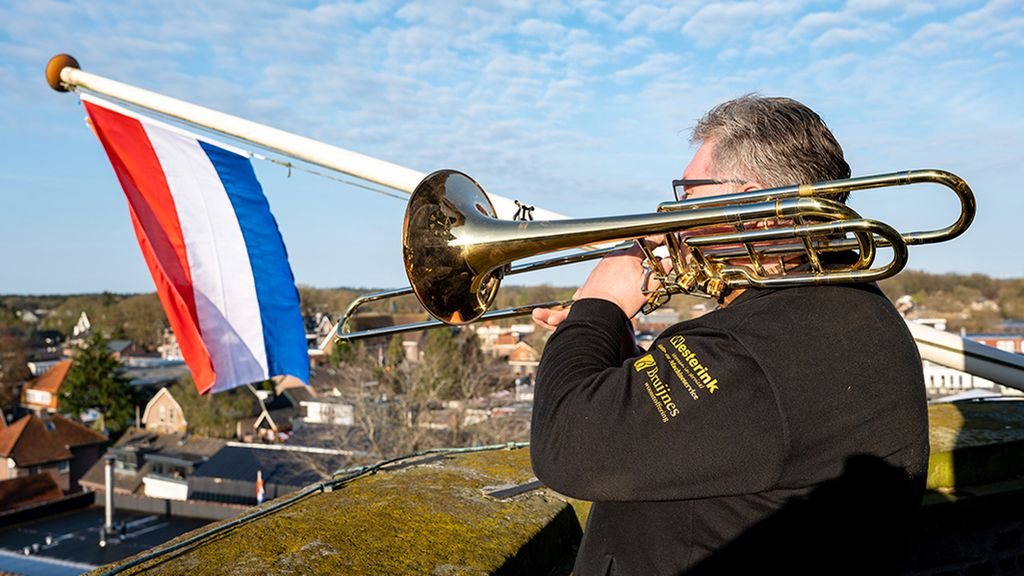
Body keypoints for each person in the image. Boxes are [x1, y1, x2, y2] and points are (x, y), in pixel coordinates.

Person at [529, 95, 929, 575]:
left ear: (752, 206)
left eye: (689, 193)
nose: (675, 216)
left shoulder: (756, 346)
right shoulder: (846, 306)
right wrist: (603, 340)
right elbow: (719, 419)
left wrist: (601, 304)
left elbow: (568, 448)